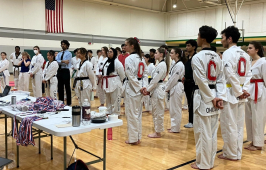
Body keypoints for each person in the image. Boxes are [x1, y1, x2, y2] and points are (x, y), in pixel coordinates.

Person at [190, 26, 226, 170]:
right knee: (211, 132)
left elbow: (201, 81)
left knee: (202, 132)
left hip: (204, 96)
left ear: (203, 38)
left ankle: (203, 164)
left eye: (198, 35)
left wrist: (212, 98)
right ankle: (208, 162)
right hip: (215, 95)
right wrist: (219, 97)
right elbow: (221, 80)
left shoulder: (197, 57)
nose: (197, 37)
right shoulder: (218, 57)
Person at [218, 26, 252, 161]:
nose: (221, 41)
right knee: (238, 126)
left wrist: (238, 91)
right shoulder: (245, 54)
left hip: (231, 92)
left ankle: (231, 154)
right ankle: (236, 152)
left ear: (229, 38)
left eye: (222, 38)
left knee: (229, 125)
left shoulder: (228, 53)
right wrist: (245, 90)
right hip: (241, 93)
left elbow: (229, 74)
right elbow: (250, 74)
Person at [124, 37, 148, 144]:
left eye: (126, 45)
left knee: (132, 114)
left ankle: (133, 139)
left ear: (132, 46)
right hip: (139, 88)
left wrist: (139, 88)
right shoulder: (141, 58)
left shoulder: (129, 58)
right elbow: (145, 74)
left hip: (133, 89)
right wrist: (144, 87)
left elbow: (130, 76)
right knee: (138, 114)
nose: (124, 47)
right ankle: (137, 137)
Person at [143, 47, 170, 138]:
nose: (154, 54)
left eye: (156, 53)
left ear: (161, 54)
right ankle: (157, 131)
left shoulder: (162, 65)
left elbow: (155, 80)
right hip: (156, 88)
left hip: (158, 88)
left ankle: (158, 132)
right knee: (155, 111)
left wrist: (148, 89)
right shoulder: (159, 64)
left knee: (158, 111)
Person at [244, 41, 266, 151]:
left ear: (257, 50)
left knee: (258, 117)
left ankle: (258, 143)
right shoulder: (249, 62)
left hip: (260, 91)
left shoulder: (263, 61)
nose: (247, 50)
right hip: (249, 90)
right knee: (249, 117)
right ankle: (252, 141)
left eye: (250, 48)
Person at [165, 48, 185, 133]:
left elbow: (174, 78)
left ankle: (176, 128)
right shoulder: (175, 64)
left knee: (176, 108)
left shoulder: (180, 65)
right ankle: (174, 126)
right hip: (174, 85)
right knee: (173, 108)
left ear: (177, 54)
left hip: (177, 85)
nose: (170, 54)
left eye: (172, 53)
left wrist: (167, 88)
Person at [102, 48, 125, 115]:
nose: (109, 53)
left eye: (111, 52)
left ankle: (116, 113)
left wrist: (119, 82)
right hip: (107, 82)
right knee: (108, 99)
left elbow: (122, 75)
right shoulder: (106, 61)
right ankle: (109, 111)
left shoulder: (117, 63)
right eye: (108, 52)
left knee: (115, 99)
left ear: (114, 53)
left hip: (115, 83)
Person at [183, 39, 197, 128]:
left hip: (193, 83)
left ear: (194, 47)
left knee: (193, 102)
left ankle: (192, 121)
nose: (187, 47)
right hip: (187, 82)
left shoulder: (196, 57)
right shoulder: (187, 58)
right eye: (186, 45)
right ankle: (191, 120)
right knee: (189, 102)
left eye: (189, 46)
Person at [56, 40, 72, 105]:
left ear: (67, 46)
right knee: (60, 87)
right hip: (59, 71)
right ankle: (61, 102)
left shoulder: (69, 53)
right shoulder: (59, 53)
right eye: (62, 44)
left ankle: (68, 102)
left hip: (65, 70)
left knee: (67, 87)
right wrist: (63, 61)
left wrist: (61, 62)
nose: (63, 45)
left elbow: (67, 63)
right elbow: (56, 61)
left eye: (64, 44)